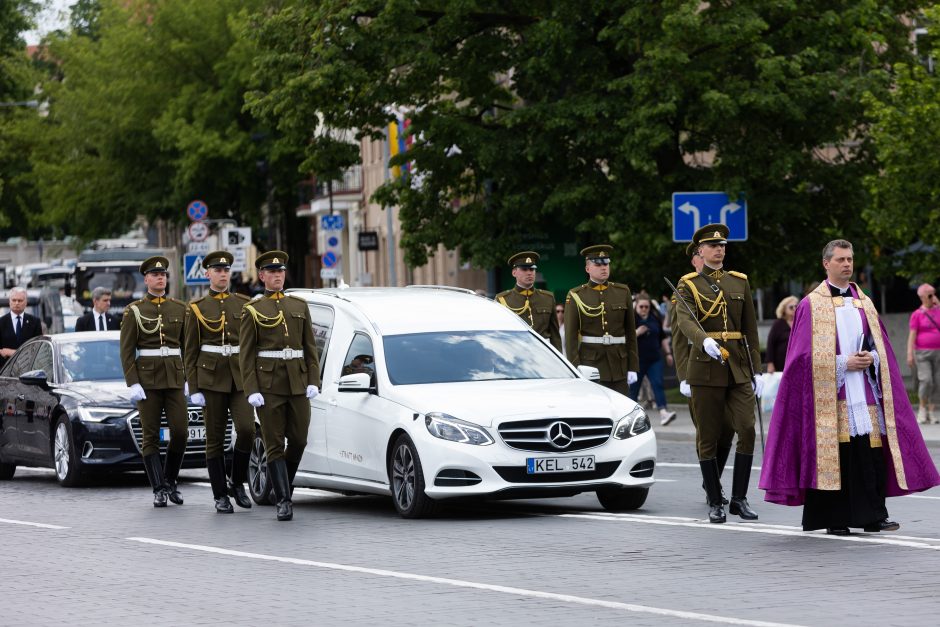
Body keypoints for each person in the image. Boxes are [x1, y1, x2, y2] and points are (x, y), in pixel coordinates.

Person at [759, 240, 940, 535]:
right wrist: (843, 364)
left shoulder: (864, 302)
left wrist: (872, 357)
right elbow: (801, 359)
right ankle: (834, 518)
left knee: (869, 454)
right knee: (839, 454)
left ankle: (874, 515)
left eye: (850, 259)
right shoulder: (810, 305)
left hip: (864, 390)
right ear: (826, 264)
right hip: (831, 394)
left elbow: (878, 344)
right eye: (841, 259)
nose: (847, 264)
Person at [675, 224, 762, 524]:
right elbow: (685, 321)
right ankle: (715, 500)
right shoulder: (688, 284)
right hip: (705, 366)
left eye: (723, 245)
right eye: (713, 246)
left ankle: (740, 498)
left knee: (747, 429)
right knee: (709, 437)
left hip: (737, 366)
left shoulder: (739, 282)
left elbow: (749, 329)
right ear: (700, 251)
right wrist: (704, 340)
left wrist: (757, 370)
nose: (719, 249)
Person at [239, 250, 320, 522]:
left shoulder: (299, 305)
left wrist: (313, 380)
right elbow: (246, 354)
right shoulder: (252, 310)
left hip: (297, 382)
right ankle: (284, 500)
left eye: (281, 271)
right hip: (269, 385)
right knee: (274, 443)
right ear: (262, 276)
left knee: (299, 440)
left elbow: (310, 347)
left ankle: (279, 485)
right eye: (272, 272)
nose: (277, 276)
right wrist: (251, 389)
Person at [184, 251, 254, 514]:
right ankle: (219, 495)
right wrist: (193, 386)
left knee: (247, 430)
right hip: (211, 378)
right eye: (217, 270)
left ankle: (237, 482)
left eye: (226, 270)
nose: (223, 274)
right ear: (208, 274)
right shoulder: (197, 308)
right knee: (214, 439)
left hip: (239, 377)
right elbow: (190, 351)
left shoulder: (244, 304)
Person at [119, 256, 188, 507]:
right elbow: (126, 351)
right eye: (155, 275)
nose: (161, 278)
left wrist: (188, 377)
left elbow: (188, 347)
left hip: (174, 378)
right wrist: (133, 382)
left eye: (164, 275)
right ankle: (158, 488)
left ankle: (170, 480)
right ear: (146, 279)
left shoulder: (180, 309)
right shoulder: (134, 311)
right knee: (151, 436)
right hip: (147, 380)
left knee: (180, 432)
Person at [672, 243, 734, 503]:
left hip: (724, 366)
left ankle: (712, 479)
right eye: (699, 256)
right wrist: (683, 375)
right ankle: (713, 486)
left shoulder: (726, 287)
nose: (704, 259)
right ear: (695, 261)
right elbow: (678, 337)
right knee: (706, 431)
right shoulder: (684, 291)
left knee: (729, 428)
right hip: (697, 369)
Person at [564, 245, 638, 395]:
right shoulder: (576, 295)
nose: (603, 268)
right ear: (588, 269)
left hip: (619, 365)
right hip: (590, 365)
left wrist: (633, 367)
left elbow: (631, 333)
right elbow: (570, 338)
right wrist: (576, 369)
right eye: (598, 264)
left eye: (606, 264)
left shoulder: (622, 292)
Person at [495, 252, 562, 352]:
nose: (529, 272)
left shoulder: (548, 298)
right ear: (514, 273)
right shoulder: (503, 299)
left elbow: (555, 336)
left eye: (532, 269)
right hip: (516, 353)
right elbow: (499, 335)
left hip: (544, 354)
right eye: (524, 269)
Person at [630, 294, 676, 425]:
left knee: (658, 384)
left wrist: (668, 353)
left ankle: (663, 413)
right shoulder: (632, 319)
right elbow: (624, 338)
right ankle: (630, 417)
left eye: (647, 307)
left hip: (654, 359)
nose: (644, 309)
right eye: (641, 307)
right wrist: (637, 332)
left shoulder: (654, 318)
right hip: (637, 360)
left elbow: (662, 337)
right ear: (636, 306)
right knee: (634, 388)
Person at [907, 283, 940, 424]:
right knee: (926, 380)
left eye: (934, 293)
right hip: (922, 353)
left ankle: (932, 410)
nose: (932, 296)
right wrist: (909, 353)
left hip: (938, 352)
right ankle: (922, 408)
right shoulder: (917, 315)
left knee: (936, 382)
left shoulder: (938, 311)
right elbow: (912, 335)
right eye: (929, 294)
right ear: (922, 296)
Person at [0, 286, 42, 366]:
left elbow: (37, 348)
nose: (16, 303)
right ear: (9, 302)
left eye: (20, 300)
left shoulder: (35, 322)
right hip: (5, 370)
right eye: (14, 300)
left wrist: (11, 352)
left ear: (26, 302)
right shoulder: (1, 322)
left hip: (28, 369)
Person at [765, 296, 797, 373]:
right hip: (781, 364)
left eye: (796, 306)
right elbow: (770, 344)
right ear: (784, 310)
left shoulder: (800, 322)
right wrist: (770, 363)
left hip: (797, 362)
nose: (794, 309)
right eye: (791, 307)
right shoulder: (778, 324)